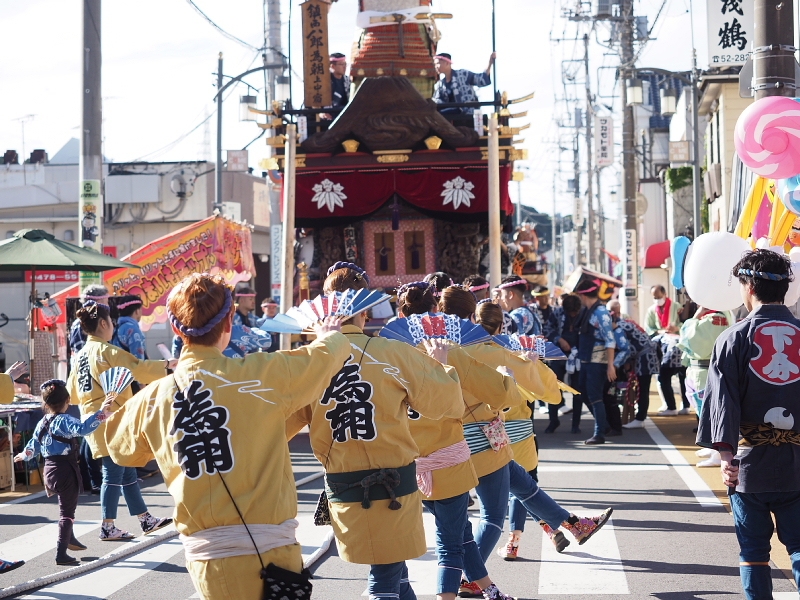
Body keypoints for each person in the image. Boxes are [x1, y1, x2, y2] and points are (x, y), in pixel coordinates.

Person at [105, 274, 348, 600]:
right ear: (230, 322)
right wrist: (329, 334)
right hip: (273, 553)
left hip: (209, 561)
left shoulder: (154, 398)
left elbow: (122, 451)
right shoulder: (263, 373)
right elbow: (324, 358)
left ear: (177, 330)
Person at [287, 269, 467, 600]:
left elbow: (278, 425)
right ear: (364, 310)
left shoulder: (305, 363)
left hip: (344, 487)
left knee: (393, 575)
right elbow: (448, 403)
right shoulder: (392, 353)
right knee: (384, 580)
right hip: (394, 488)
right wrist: (440, 363)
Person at [439, 287, 612, 596]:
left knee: (523, 485)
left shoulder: (430, 347)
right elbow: (544, 391)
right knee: (492, 515)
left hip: (450, 440)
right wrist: (528, 365)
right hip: (484, 437)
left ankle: (573, 524)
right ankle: (471, 580)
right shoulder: (487, 350)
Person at [697, 249, 800, 600]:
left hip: (749, 465)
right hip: (798, 466)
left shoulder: (732, 338)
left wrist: (726, 457)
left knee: (754, 553)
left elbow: (722, 405)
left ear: (748, 287)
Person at [67, 300, 174, 541]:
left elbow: (72, 393)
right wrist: (167, 365)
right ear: (104, 323)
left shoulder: (81, 356)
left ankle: (145, 518)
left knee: (125, 473)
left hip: (93, 418)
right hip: (112, 419)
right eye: (111, 323)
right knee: (113, 474)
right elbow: (139, 368)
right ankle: (107, 525)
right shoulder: (107, 351)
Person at [14, 380, 115, 565]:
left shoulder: (42, 422)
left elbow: (33, 446)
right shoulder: (66, 420)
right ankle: (61, 552)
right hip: (65, 470)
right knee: (67, 512)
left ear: (46, 403)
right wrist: (101, 412)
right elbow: (84, 429)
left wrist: (23, 454)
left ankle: (70, 538)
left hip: (50, 470)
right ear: (68, 400)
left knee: (65, 507)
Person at [679, 306, 732, 467]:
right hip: (708, 370)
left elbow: (689, 337)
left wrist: (695, 316)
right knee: (707, 412)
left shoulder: (710, 319)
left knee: (708, 413)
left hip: (703, 371)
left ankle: (717, 452)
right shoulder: (726, 317)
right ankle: (713, 448)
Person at [573, 279, 616, 444]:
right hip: (586, 359)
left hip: (597, 361)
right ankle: (603, 425)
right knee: (583, 391)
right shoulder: (588, 311)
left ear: (584, 296)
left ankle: (600, 433)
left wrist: (610, 365)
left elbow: (610, 340)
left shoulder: (600, 312)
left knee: (595, 396)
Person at [608, 301, 660, 430]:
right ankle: (639, 416)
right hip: (645, 355)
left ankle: (640, 418)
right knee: (642, 388)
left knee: (643, 388)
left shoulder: (620, 329)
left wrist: (615, 364)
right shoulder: (624, 324)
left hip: (645, 357)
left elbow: (626, 350)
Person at [68, 284, 109, 355]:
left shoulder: (86, 320)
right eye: (106, 302)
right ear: (98, 302)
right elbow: (81, 351)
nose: (108, 305)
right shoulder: (81, 323)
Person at [111, 295, 147, 360]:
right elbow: (139, 361)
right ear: (137, 311)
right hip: (131, 369)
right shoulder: (133, 329)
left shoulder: (116, 327)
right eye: (141, 309)